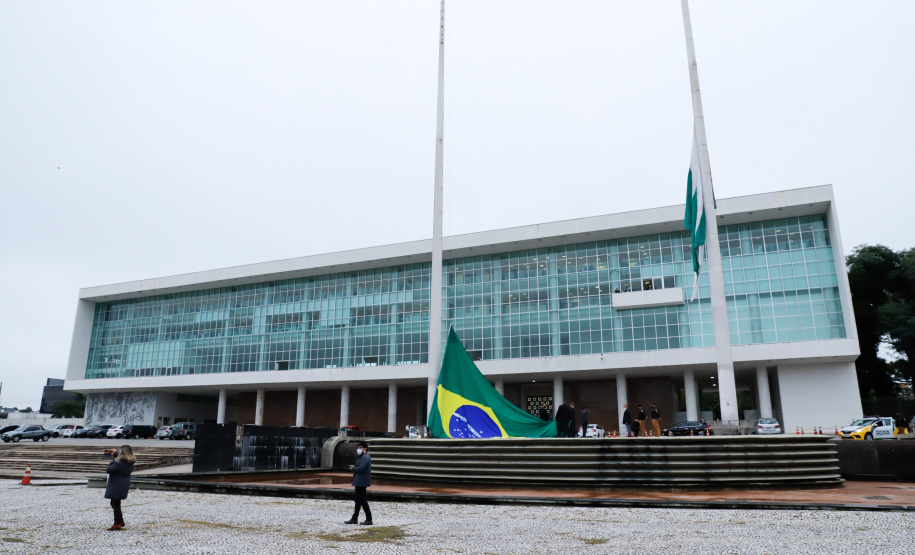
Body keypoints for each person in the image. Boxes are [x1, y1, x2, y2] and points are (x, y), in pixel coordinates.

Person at [104, 445, 136, 531]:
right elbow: (121, 460)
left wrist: (112, 460)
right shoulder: (130, 461)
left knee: (115, 503)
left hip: (116, 483)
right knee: (115, 502)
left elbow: (109, 470)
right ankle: (120, 520)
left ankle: (117, 523)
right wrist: (115, 454)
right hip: (123, 483)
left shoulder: (120, 462)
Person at [345, 442, 373, 526]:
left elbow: (361, 468)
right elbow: (360, 466)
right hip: (360, 481)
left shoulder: (365, 457)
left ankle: (369, 518)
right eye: (358, 447)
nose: (359, 449)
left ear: (365, 448)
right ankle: (354, 518)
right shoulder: (362, 457)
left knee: (362, 500)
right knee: (358, 500)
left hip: (361, 481)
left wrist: (353, 468)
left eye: (360, 447)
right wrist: (354, 466)